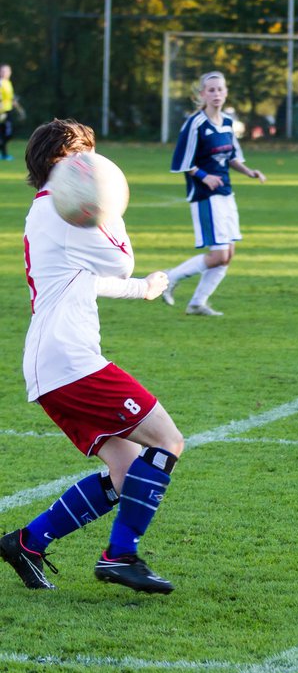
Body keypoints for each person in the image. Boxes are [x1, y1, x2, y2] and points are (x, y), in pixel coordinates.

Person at [1, 119, 184, 594]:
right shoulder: (62, 210)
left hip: (55, 362)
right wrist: (107, 205)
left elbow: (87, 276)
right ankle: (119, 556)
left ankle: (27, 541)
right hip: (70, 361)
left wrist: (142, 289)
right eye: (83, 158)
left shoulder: (48, 211)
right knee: (167, 441)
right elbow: (121, 257)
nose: (91, 166)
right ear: (63, 163)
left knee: (127, 469)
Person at [160, 71, 266, 316]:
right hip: (205, 196)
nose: (216, 94)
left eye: (220, 89)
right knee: (218, 254)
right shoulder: (195, 123)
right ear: (202, 94)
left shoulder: (228, 122)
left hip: (226, 193)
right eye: (211, 90)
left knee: (227, 255)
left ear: (226, 92)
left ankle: (197, 303)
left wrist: (249, 172)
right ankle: (169, 278)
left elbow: (232, 156)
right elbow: (182, 161)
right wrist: (204, 176)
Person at [0, 63, 26, 161]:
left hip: (8, 111)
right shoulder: (0, 83)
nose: (4, 73)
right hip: (2, 113)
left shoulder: (8, 83)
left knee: (7, 135)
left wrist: (20, 110)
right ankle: (4, 155)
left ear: (10, 72)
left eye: (6, 71)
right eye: (2, 71)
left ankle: (3, 155)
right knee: (4, 134)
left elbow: (11, 99)